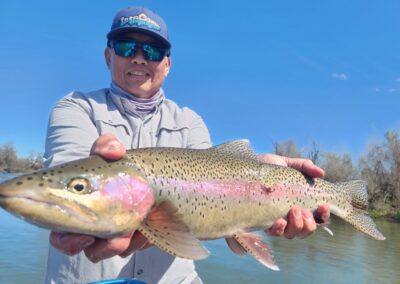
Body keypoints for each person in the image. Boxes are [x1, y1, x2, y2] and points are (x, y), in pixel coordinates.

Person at [43, 6, 330, 284]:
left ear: (167, 65)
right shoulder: (76, 108)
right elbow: (64, 188)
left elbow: (223, 215)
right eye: (126, 47)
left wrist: (261, 187)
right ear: (108, 56)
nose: (140, 59)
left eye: (152, 51)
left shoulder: (190, 122)